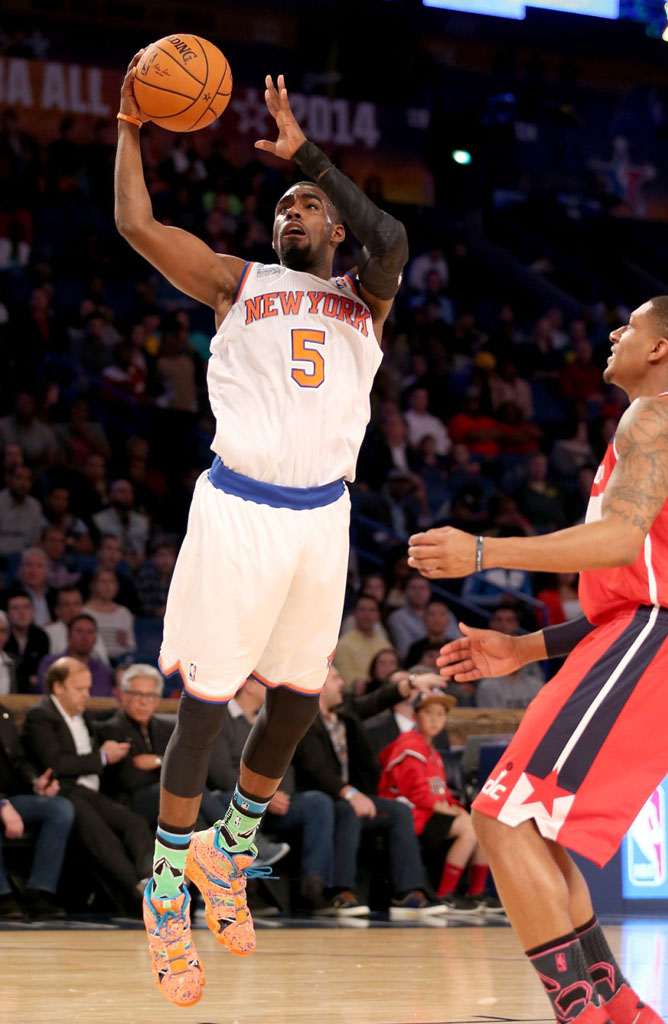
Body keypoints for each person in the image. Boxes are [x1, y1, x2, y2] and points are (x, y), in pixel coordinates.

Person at [115, 57, 408, 1007]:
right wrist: (128, 125)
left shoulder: (367, 299)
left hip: (324, 518)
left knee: (294, 699)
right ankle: (165, 893)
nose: (294, 215)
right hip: (239, 508)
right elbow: (135, 225)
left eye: (307, 207)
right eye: (282, 206)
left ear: (330, 221)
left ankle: (227, 850)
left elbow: (392, 232)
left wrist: (311, 159)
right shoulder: (236, 282)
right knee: (205, 704)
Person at [407, 298, 668, 1024]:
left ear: (661, 348)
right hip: (634, 635)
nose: (615, 333)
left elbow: (618, 544)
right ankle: (618, 1011)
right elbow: (634, 579)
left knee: (500, 817)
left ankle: (581, 1012)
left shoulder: (654, 415)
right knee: (531, 824)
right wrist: (523, 648)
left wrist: (482, 552)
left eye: (632, 326)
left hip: (649, 641)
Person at [293, 664, 447, 920]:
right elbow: (315, 768)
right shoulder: (303, 720)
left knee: (398, 812)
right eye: (336, 678)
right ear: (318, 686)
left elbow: (377, 700)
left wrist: (411, 683)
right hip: (323, 799)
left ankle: (406, 894)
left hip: (355, 795)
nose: (342, 683)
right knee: (348, 809)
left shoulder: (344, 712)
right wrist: (349, 793)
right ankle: (340, 891)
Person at [22, 657, 153, 915]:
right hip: (65, 792)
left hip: (90, 793)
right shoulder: (41, 716)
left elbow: (110, 723)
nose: (87, 695)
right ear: (58, 687)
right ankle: (138, 897)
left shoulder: (84, 717)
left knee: (135, 823)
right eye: (80, 689)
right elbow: (55, 763)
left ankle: (150, 882)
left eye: (88, 688)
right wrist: (102, 757)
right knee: (102, 837)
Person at [378, 688, 496, 914]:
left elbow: (440, 793)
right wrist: (454, 813)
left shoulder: (432, 752)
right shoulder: (409, 745)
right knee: (469, 828)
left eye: (441, 714)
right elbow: (419, 795)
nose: (435, 719)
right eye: (428, 713)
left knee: (482, 824)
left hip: (429, 813)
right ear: (415, 716)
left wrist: (457, 808)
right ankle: (445, 894)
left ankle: (476, 894)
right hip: (410, 815)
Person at [0, 701, 74, 919]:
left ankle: (39, 891)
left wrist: (35, 782)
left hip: (12, 797)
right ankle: (2, 895)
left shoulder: (3, 713)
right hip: (3, 802)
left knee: (60, 808)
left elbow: (18, 761)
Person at [475, 606, 544, 709]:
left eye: (509, 620)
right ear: (491, 623)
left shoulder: (525, 648)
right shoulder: (478, 649)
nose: (504, 624)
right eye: (499, 620)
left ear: (516, 624)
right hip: (495, 694)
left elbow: (538, 677)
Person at [37, 614, 113, 696]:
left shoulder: (104, 670)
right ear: (69, 637)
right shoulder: (51, 664)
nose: (84, 637)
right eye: (79, 631)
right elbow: (46, 693)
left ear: (95, 639)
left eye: (89, 632)